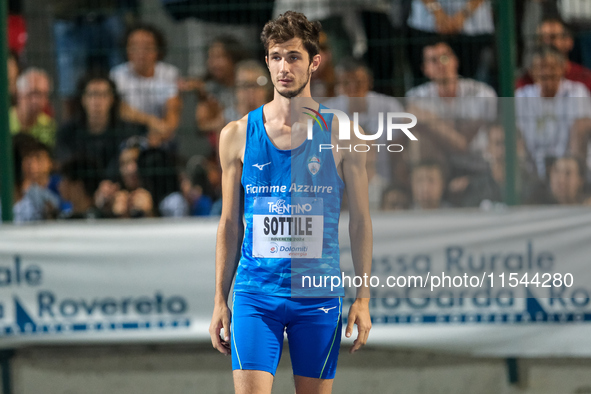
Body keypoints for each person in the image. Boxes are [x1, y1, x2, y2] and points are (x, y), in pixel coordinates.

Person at [209, 11, 372, 394]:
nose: (284, 67)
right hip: (255, 294)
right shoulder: (236, 135)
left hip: (318, 295)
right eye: (277, 56)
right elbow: (230, 223)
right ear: (267, 61)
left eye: (294, 57)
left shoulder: (344, 133)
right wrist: (220, 297)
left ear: (315, 62)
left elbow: (361, 222)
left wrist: (363, 297)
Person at [515, 45, 591, 178]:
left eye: (551, 67)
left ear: (562, 69)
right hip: (532, 170)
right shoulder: (522, 96)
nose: (546, 73)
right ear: (532, 72)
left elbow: (579, 137)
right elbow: (518, 139)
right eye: (540, 67)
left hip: (568, 168)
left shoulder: (577, 91)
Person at [55, 74, 147, 175]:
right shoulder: (67, 132)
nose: (97, 101)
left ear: (112, 99)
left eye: (103, 95)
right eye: (92, 95)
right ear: (83, 99)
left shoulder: (126, 130)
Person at [110, 23, 182, 148]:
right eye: (135, 47)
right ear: (126, 49)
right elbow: (119, 108)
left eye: (147, 47)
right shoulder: (117, 75)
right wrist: (151, 121)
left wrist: (160, 135)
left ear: (158, 50)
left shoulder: (169, 73)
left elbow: (173, 111)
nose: (141, 53)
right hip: (127, 135)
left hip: (161, 137)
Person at [517, 18, 591, 93]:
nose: (547, 42)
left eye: (553, 37)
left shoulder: (585, 79)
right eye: (541, 38)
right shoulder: (526, 82)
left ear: (569, 42)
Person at [10, 68, 57, 147]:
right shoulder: (5, 122)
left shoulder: (48, 126)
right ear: (19, 94)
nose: (37, 101)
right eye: (34, 93)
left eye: (44, 95)